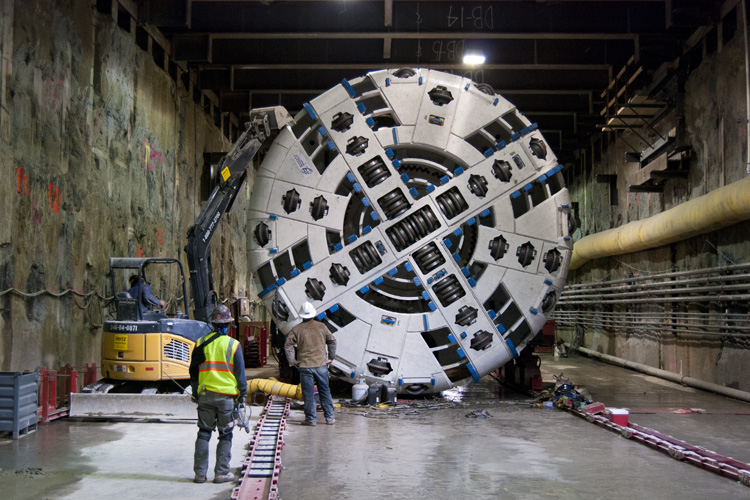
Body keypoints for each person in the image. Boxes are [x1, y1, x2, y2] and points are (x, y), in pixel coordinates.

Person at [189, 304, 247, 484]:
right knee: (225, 435)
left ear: (212, 324)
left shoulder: (199, 344)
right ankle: (221, 473)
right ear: (228, 325)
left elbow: (193, 372)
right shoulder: (234, 345)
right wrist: (243, 395)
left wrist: (195, 393)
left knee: (204, 433)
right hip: (226, 398)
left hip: (205, 395)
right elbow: (240, 375)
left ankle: (200, 474)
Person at [284, 301, 336, 426]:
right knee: (325, 392)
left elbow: (288, 345)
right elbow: (332, 341)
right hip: (321, 365)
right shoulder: (321, 327)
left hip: (305, 366)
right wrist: (331, 358)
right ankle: (329, 418)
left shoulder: (296, 329)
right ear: (313, 314)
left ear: (301, 315)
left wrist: (292, 361)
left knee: (308, 394)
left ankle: (311, 419)